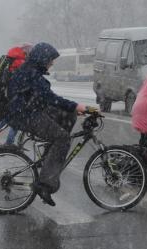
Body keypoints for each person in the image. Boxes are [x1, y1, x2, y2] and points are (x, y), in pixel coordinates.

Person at [6, 42, 87, 206]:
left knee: (66, 116)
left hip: (26, 112)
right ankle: (46, 184)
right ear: (42, 59)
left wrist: (70, 109)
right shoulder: (32, 74)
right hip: (25, 116)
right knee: (63, 138)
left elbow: (47, 99)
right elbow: (51, 98)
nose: (52, 63)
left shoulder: (30, 71)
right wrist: (75, 105)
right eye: (50, 59)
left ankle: (49, 157)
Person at [0, 43, 32, 146]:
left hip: (9, 95)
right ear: (26, 52)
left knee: (7, 119)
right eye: (29, 53)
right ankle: (9, 143)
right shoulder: (21, 62)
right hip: (15, 97)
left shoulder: (13, 59)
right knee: (17, 120)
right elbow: (23, 81)